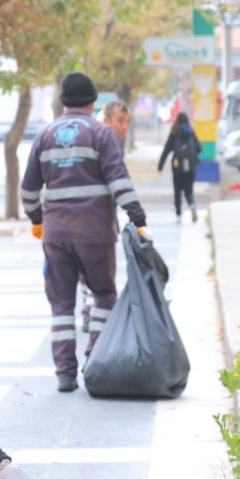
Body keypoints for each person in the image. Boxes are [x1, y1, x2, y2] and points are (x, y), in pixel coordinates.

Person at [21, 72, 147, 392]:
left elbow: (28, 190)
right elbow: (119, 182)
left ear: (64, 101)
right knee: (103, 294)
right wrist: (137, 216)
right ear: (93, 102)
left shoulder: (45, 135)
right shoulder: (100, 133)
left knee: (62, 305)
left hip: (56, 234)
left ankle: (65, 373)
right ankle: (94, 360)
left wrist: (38, 219)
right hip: (95, 233)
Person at [80, 99, 133, 333]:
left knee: (90, 277)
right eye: (120, 120)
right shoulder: (101, 140)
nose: (124, 126)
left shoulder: (107, 141)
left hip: (95, 221)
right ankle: (90, 316)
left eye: (127, 121)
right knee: (98, 283)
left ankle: (87, 309)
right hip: (91, 222)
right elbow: (119, 183)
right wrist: (138, 217)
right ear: (107, 119)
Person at [158, 111, 202, 223]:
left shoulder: (174, 133)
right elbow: (199, 148)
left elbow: (166, 150)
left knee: (177, 191)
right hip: (190, 167)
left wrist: (160, 166)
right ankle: (192, 205)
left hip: (177, 167)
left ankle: (178, 214)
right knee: (189, 191)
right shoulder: (191, 132)